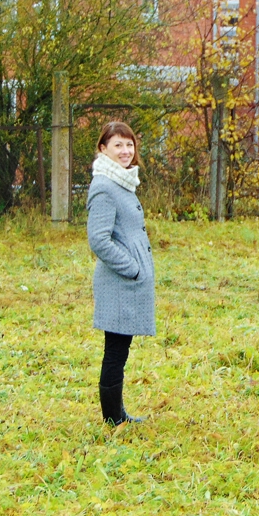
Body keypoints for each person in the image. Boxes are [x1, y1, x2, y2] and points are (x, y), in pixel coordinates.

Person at [87, 121, 155, 426]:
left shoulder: (123, 182)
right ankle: (113, 418)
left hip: (126, 284)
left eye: (129, 145)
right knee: (114, 350)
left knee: (119, 348)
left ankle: (116, 414)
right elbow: (98, 239)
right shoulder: (104, 186)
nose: (126, 151)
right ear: (104, 149)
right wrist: (133, 267)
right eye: (118, 145)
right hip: (118, 282)